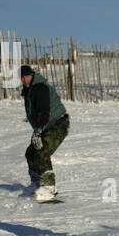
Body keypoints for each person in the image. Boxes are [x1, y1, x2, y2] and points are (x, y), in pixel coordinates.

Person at [21, 65, 69, 202]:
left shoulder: (39, 88)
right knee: (30, 153)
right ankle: (36, 183)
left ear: (32, 75)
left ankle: (49, 188)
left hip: (58, 124)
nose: (24, 80)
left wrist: (38, 130)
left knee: (41, 152)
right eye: (22, 78)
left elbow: (44, 111)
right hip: (46, 125)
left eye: (26, 76)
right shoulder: (29, 89)